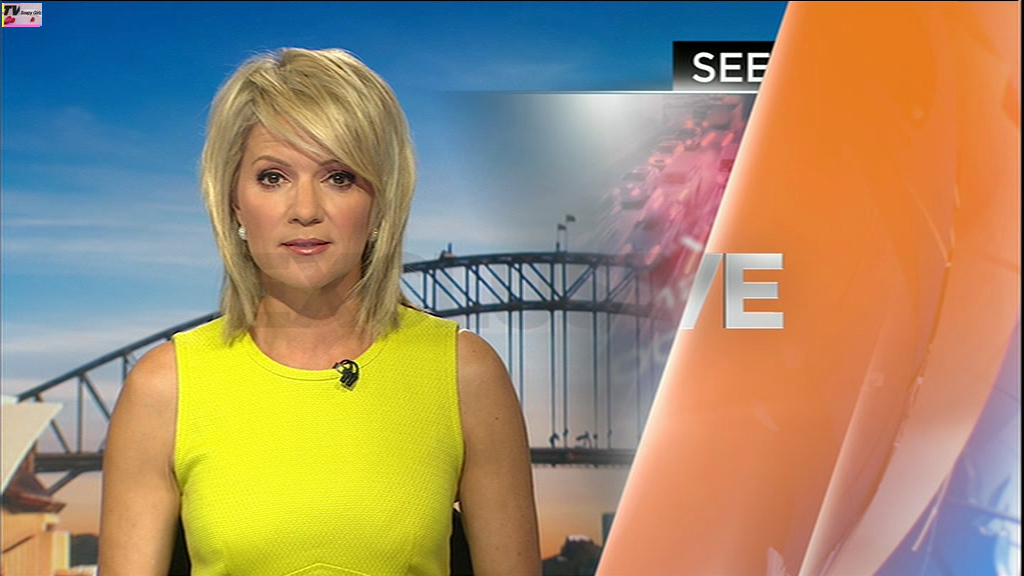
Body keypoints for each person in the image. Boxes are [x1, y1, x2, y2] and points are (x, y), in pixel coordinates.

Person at [99, 48, 541, 576]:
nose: (305, 210)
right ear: (234, 201)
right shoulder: (164, 388)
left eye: (339, 177)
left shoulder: (465, 373)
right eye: (273, 177)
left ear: (380, 202)